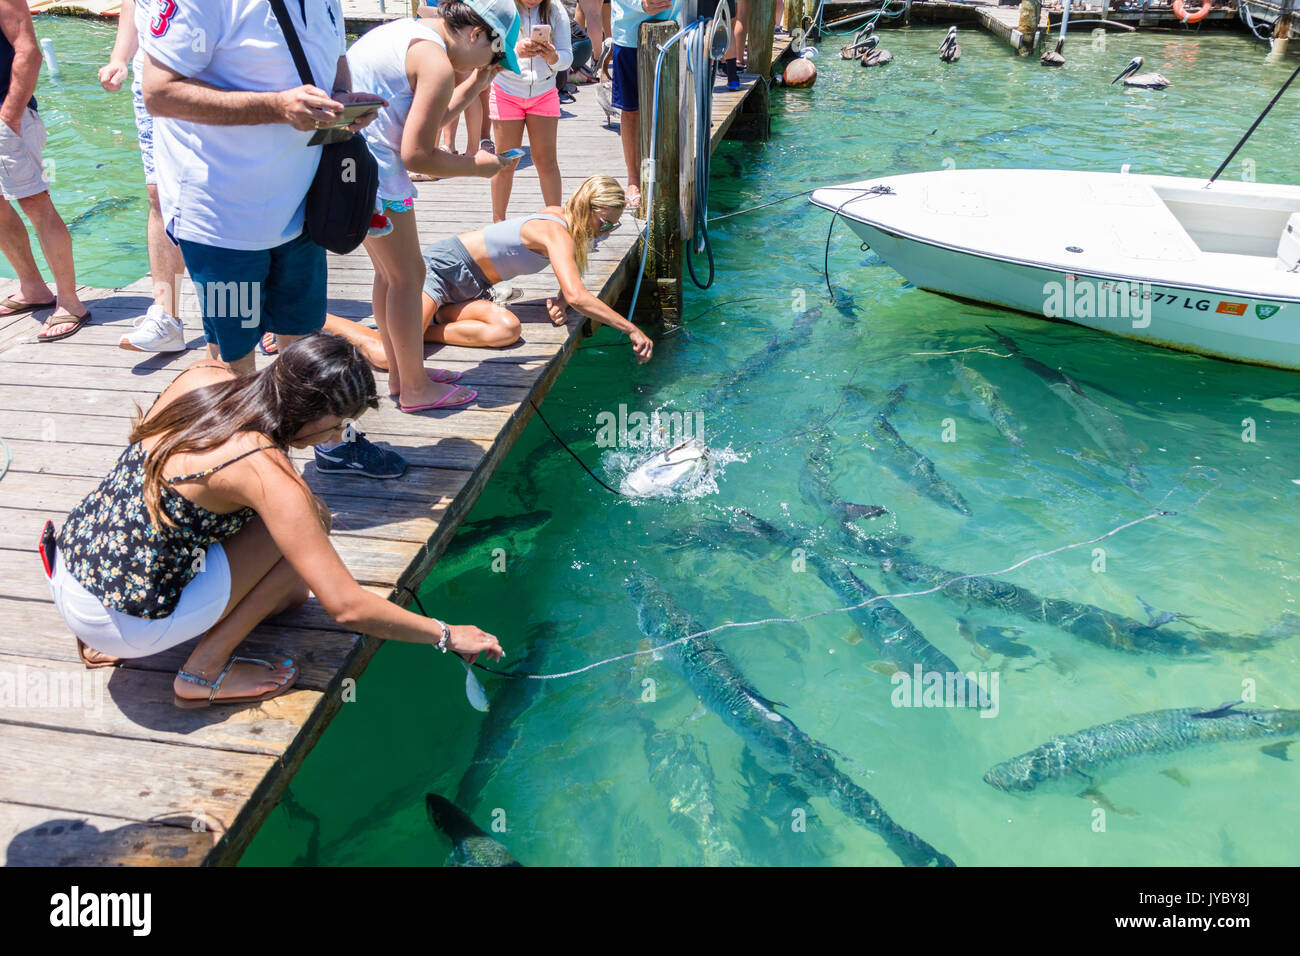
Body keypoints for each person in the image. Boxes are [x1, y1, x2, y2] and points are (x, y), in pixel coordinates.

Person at [46, 335, 504, 707]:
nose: (335, 437)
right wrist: (446, 634)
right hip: (124, 625)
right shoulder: (263, 467)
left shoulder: (204, 376)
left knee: (290, 564)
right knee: (312, 521)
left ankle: (111, 631)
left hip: (72, 575)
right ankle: (202, 671)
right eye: (336, 424)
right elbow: (347, 607)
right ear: (311, 412)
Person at [141, 0, 407, 480]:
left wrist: (346, 101)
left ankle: (325, 441)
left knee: (303, 339)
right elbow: (160, 93)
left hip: (304, 209)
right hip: (223, 221)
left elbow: (334, 66)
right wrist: (276, 106)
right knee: (235, 353)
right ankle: (246, 465)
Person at [347, 1, 524, 414]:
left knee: (391, 277)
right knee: (411, 278)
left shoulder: (416, 35)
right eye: (495, 54)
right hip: (378, 173)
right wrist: (480, 169)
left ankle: (401, 373)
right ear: (476, 34)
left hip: (355, 169)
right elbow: (418, 155)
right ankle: (414, 387)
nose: (492, 63)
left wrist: (473, 88)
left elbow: (422, 120)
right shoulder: (437, 64)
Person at [320, 175, 652, 363]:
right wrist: (631, 329)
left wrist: (561, 299)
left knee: (507, 330)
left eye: (612, 227)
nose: (605, 232)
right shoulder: (557, 231)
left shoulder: (566, 224)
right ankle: (320, 320)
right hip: (441, 272)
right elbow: (578, 294)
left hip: (471, 286)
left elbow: (570, 289)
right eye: (605, 223)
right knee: (386, 357)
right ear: (590, 210)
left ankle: (418, 331)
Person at [98, 0, 187, 353]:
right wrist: (119, 56)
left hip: (217, 78)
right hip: (150, 80)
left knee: (233, 190)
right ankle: (167, 315)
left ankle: (262, 311)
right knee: (158, 194)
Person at [0, 0, 89, 341]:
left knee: (36, 205)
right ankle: (33, 288)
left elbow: (29, 51)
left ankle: (71, 302)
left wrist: (10, 116)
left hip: (9, 117)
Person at [489, 0, 572, 222]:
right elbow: (490, 52)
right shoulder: (501, 8)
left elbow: (567, 57)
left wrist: (554, 58)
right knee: (505, 162)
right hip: (506, 91)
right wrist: (516, 51)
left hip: (544, 92)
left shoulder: (555, 10)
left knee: (546, 161)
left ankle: (556, 221)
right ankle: (498, 223)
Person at [609, 0, 679, 213]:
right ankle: (634, 180)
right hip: (628, 34)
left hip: (674, 30)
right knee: (630, 110)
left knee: (670, 108)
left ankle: (668, 174)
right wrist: (639, 3)